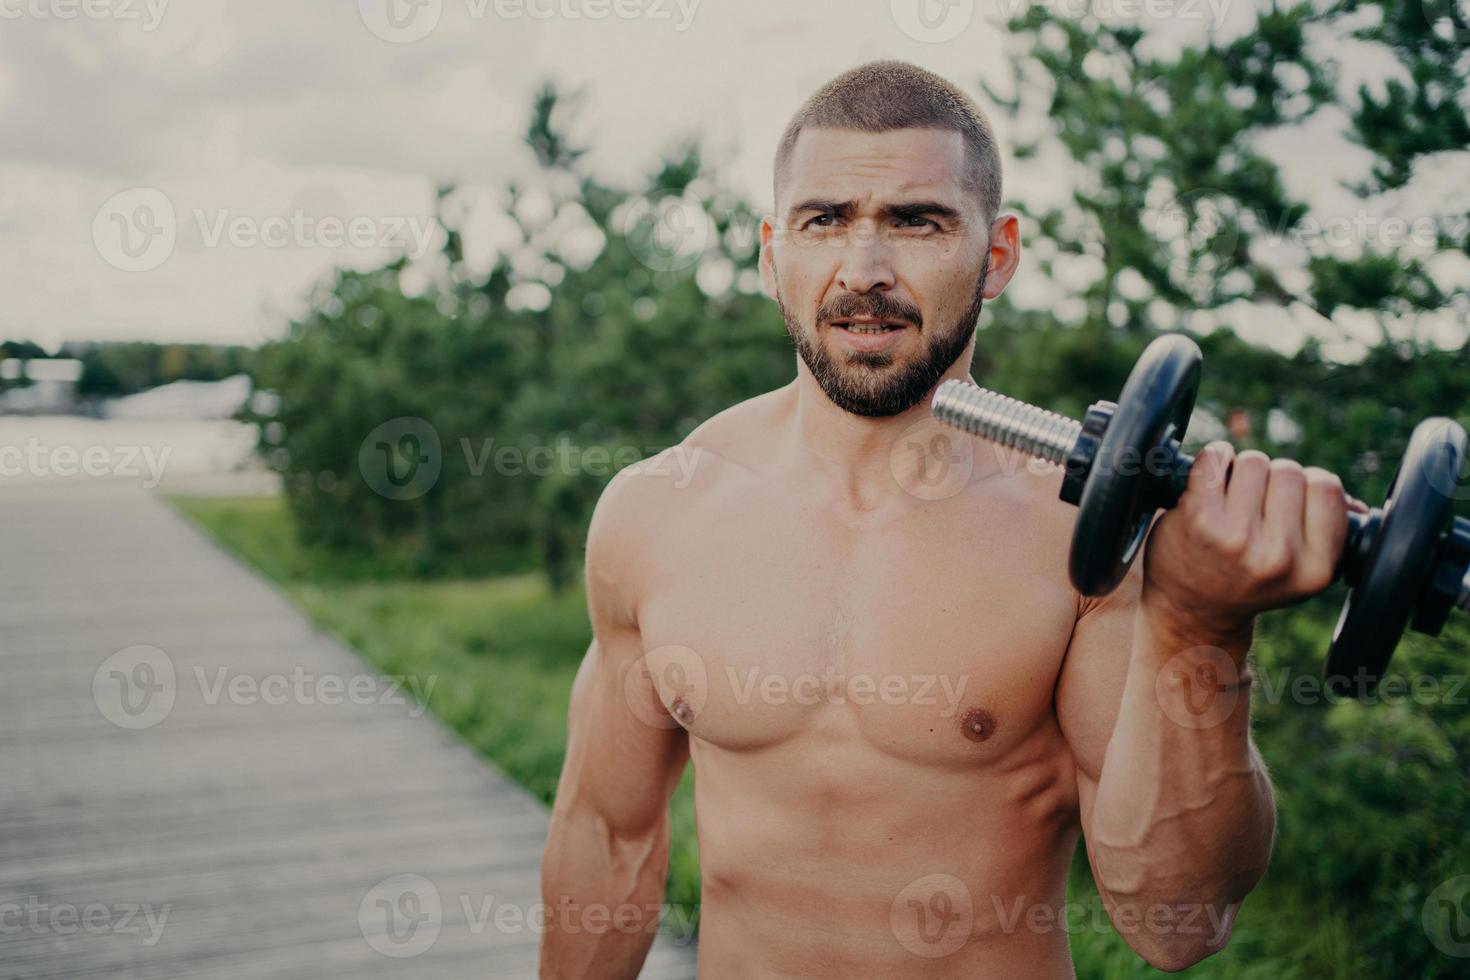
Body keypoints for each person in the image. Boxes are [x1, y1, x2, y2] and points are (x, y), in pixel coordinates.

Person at [540, 60, 1354, 978]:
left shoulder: (1080, 537)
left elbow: (1177, 920)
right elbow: (606, 840)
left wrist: (1206, 625)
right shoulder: (660, 511)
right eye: (826, 220)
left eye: (916, 222)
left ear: (996, 253)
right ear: (774, 253)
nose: (864, 271)